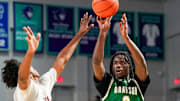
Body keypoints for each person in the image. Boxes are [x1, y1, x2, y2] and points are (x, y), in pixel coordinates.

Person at [1, 12, 94, 101]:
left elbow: (62, 60)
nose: (32, 66)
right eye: (29, 67)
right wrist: (30, 52)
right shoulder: (26, 91)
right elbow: (22, 78)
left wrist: (79, 35)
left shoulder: (44, 82)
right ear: (29, 72)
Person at [92, 13, 150, 101]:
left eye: (122, 62)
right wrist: (102, 33)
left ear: (130, 67)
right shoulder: (107, 84)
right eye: (115, 63)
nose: (118, 65)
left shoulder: (137, 84)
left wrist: (126, 38)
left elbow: (141, 64)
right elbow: (96, 62)